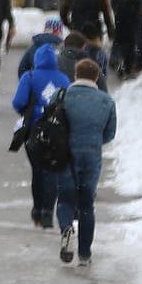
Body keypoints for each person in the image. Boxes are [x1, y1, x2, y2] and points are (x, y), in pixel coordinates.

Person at [56, 59, 117, 266]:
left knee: (65, 199)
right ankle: (84, 254)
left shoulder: (62, 96)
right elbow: (109, 134)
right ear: (97, 77)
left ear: (75, 75)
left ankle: (66, 228)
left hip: (66, 155)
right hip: (91, 155)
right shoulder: (106, 101)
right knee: (86, 205)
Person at [11, 45, 70, 229]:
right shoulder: (63, 79)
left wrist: (30, 111)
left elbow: (18, 102)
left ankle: (37, 209)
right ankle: (47, 212)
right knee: (51, 169)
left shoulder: (29, 77)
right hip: (56, 130)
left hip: (34, 131)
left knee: (37, 170)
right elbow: (68, 103)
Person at [109, 0, 142, 77]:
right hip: (135, 16)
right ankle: (135, 63)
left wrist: (116, 11)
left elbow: (112, 0)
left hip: (121, 16)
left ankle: (118, 61)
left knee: (121, 40)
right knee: (135, 40)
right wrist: (141, 11)